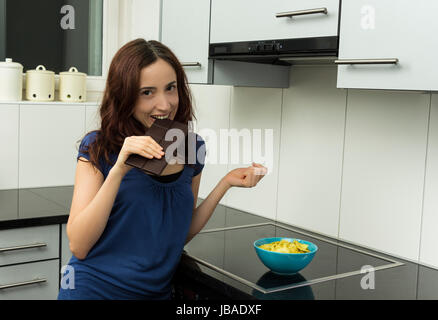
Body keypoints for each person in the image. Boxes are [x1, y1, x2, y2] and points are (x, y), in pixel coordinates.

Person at [57, 39, 267, 300]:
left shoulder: (191, 147)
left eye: (170, 88)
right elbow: (79, 246)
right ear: (125, 97)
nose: (165, 104)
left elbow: (179, 233)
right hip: (95, 291)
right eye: (147, 92)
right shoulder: (98, 147)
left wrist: (224, 183)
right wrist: (120, 168)